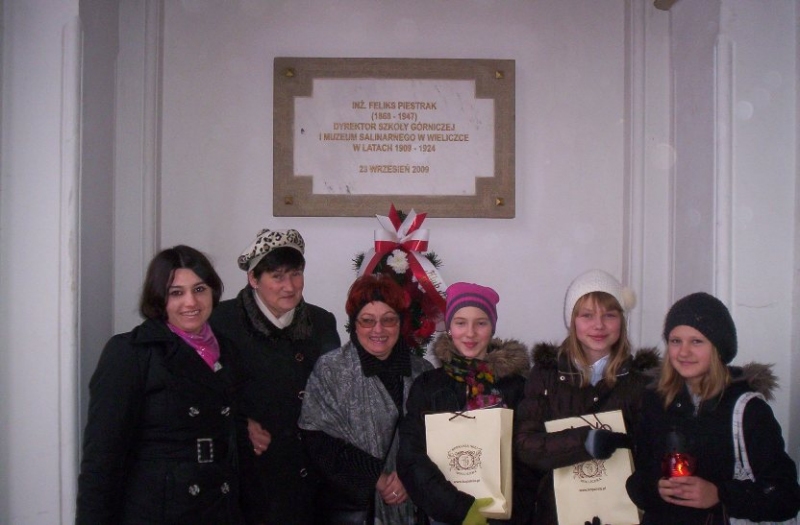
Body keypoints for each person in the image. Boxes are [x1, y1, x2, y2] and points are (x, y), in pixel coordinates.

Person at [76, 245, 243, 524]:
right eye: (176, 292)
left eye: (199, 289)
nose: (191, 302)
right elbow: (102, 458)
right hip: (160, 510)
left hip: (218, 506)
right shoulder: (132, 353)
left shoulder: (227, 349)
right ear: (158, 298)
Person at [626, 292, 800, 524]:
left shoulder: (748, 410)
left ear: (718, 348)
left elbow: (786, 497)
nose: (684, 352)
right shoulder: (654, 401)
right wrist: (655, 488)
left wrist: (720, 495)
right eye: (676, 341)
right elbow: (637, 479)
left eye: (696, 341)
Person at [209, 228, 341, 525]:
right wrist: (239, 422)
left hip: (309, 472)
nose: (289, 286)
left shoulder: (321, 322)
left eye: (296, 274)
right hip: (252, 473)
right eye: (277, 276)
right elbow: (203, 392)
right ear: (253, 279)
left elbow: (334, 392)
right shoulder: (222, 322)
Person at [514, 269, 659, 525]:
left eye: (609, 315)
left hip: (621, 514)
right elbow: (526, 446)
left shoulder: (641, 381)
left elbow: (652, 456)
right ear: (572, 321)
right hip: (556, 514)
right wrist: (585, 442)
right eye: (587, 315)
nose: (599, 325)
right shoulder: (546, 375)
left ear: (622, 321)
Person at [298, 273, 434, 524]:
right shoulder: (331, 370)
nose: (378, 330)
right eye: (367, 320)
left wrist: (409, 476)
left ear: (400, 323)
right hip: (350, 509)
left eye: (388, 320)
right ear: (354, 324)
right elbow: (317, 438)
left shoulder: (422, 372)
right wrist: (376, 478)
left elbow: (436, 439)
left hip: (412, 506)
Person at [397, 282, 535, 525]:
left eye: (480, 323)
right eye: (461, 323)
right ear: (449, 328)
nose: (470, 333)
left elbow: (529, 459)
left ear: (492, 328)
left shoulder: (518, 388)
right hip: (444, 517)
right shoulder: (428, 386)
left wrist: (509, 514)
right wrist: (460, 509)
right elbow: (411, 458)